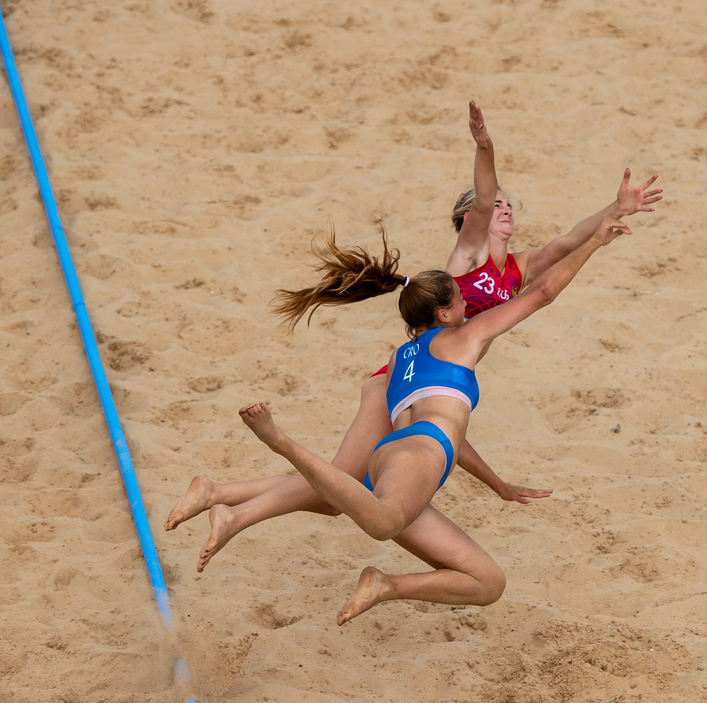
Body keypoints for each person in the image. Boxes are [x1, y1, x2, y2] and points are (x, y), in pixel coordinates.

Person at [164, 102, 661, 573]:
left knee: (341, 495)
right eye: (498, 206)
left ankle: (218, 494)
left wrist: (616, 209)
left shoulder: (518, 267)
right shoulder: (468, 255)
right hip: (397, 381)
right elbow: (485, 196)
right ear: (473, 220)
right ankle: (224, 505)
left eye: (512, 207)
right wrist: (484, 145)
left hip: (427, 376)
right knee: (337, 486)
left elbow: (570, 242)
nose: (506, 210)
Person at [236, 210, 633, 625]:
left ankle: (386, 584)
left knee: (487, 582)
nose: (471, 307)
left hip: (402, 457)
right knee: (381, 522)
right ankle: (277, 440)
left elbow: (446, 427)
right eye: (463, 302)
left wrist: (498, 484)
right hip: (418, 456)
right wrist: (594, 244)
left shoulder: (400, 357)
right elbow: (543, 293)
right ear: (444, 314)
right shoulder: (464, 337)